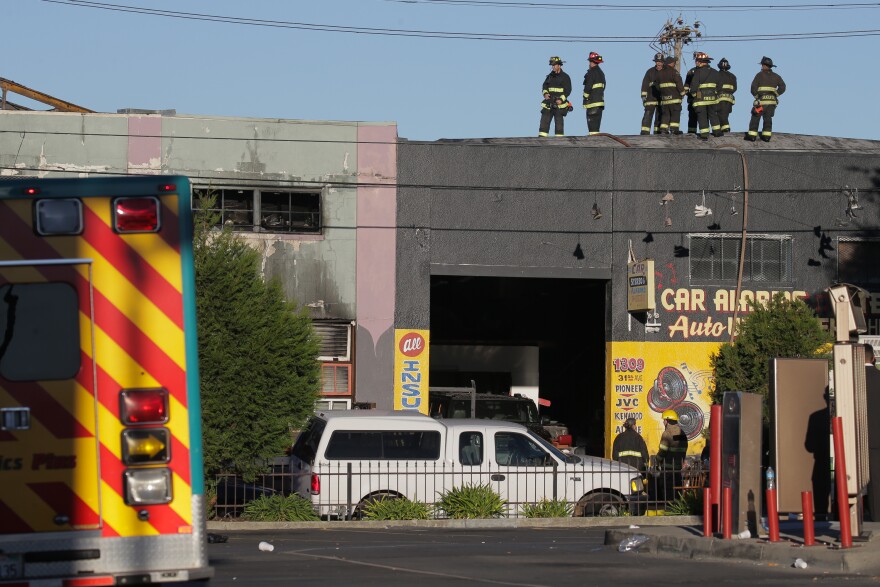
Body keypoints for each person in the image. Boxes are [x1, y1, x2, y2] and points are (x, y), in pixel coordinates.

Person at [745, 56, 786, 142]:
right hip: (772, 103)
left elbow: (753, 88)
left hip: (761, 103)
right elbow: (783, 87)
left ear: (764, 65)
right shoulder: (777, 77)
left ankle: (752, 136)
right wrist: (776, 94)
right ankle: (767, 137)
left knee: (755, 117)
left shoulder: (759, 75)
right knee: (768, 118)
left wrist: (757, 97)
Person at [684, 52, 722, 140]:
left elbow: (693, 86)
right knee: (713, 115)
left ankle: (704, 134)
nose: (696, 63)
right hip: (713, 99)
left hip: (700, 99)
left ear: (701, 62)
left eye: (697, 61)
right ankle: (717, 132)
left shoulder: (697, 72)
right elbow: (720, 86)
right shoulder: (715, 72)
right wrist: (716, 95)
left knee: (702, 116)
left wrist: (694, 95)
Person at [656, 409, 689, 501]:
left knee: (667, 491)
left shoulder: (667, 433)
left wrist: (657, 459)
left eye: (664, 420)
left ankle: (669, 508)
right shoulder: (682, 433)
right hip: (678, 468)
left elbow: (663, 450)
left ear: (667, 421)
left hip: (668, 469)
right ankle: (677, 508)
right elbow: (684, 449)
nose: (663, 422)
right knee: (677, 490)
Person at [538, 56, 573, 137]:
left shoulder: (565, 77)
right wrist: (545, 94)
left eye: (554, 65)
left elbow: (568, 90)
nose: (552, 67)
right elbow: (544, 86)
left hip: (559, 105)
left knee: (559, 128)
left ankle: (559, 147)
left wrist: (561, 99)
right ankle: (540, 144)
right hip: (548, 104)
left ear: (559, 65)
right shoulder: (550, 76)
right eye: (552, 65)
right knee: (543, 128)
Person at [656, 56, 685, 134]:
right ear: (671, 63)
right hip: (674, 99)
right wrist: (682, 93)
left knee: (665, 115)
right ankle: (674, 129)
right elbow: (679, 83)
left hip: (664, 99)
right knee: (675, 113)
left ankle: (663, 129)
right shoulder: (674, 72)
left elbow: (657, 86)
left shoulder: (660, 73)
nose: (675, 64)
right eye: (674, 62)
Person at [640, 53, 664, 135]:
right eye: (657, 61)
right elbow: (645, 84)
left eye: (660, 61)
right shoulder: (650, 72)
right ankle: (645, 132)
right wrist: (643, 96)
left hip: (661, 99)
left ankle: (657, 132)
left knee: (659, 116)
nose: (659, 63)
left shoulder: (666, 72)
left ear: (663, 62)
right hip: (650, 98)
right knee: (648, 115)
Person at [582, 52, 606, 135]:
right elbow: (604, 87)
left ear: (592, 62)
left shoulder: (591, 73)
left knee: (592, 128)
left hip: (592, 103)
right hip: (600, 104)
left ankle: (592, 143)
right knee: (596, 128)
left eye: (590, 62)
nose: (589, 64)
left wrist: (585, 97)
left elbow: (588, 87)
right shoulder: (601, 73)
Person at [716, 57, 737, 134]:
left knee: (720, 114)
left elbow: (716, 87)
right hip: (730, 99)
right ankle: (723, 129)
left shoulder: (716, 75)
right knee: (725, 114)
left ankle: (725, 128)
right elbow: (735, 88)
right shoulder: (733, 76)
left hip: (720, 98)